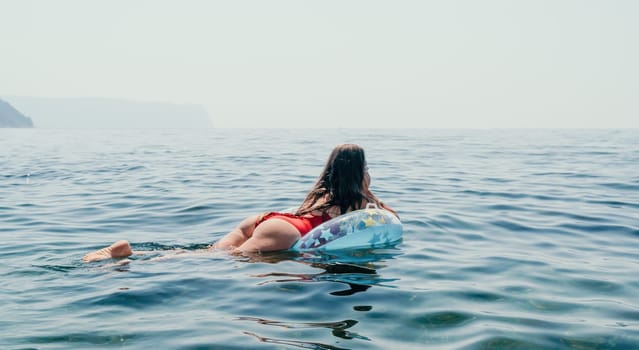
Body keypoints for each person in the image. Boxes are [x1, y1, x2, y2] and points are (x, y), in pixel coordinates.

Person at [82, 144, 397, 262]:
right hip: (291, 235)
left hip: (272, 219)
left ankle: (134, 254)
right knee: (216, 265)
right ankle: (131, 262)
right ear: (360, 173)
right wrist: (369, 192)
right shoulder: (359, 200)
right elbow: (390, 221)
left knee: (210, 254)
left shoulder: (321, 193)